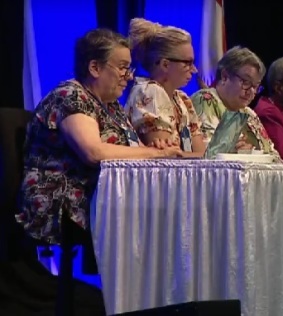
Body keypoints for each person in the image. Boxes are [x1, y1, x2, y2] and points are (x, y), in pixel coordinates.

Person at [16, 28, 182, 245]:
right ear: (95, 67)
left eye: (129, 68)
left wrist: (159, 148)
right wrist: (153, 153)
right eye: (122, 68)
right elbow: (94, 153)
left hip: (105, 194)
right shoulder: (70, 96)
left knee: (173, 207)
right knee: (159, 216)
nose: (129, 76)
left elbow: (134, 150)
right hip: (62, 199)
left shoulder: (111, 106)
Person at [124, 18, 205, 157]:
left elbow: (203, 154)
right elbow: (165, 157)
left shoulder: (182, 98)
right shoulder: (149, 92)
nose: (194, 70)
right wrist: (188, 155)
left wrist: (186, 154)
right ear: (165, 64)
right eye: (188, 63)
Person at [191, 46, 280, 161]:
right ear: (225, 76)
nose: (251, 91)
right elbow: (210, 155)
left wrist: (250, 152)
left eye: (256, 86)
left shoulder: (248, 113)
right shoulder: (205, 99)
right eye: (246, 82)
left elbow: (275, 157)